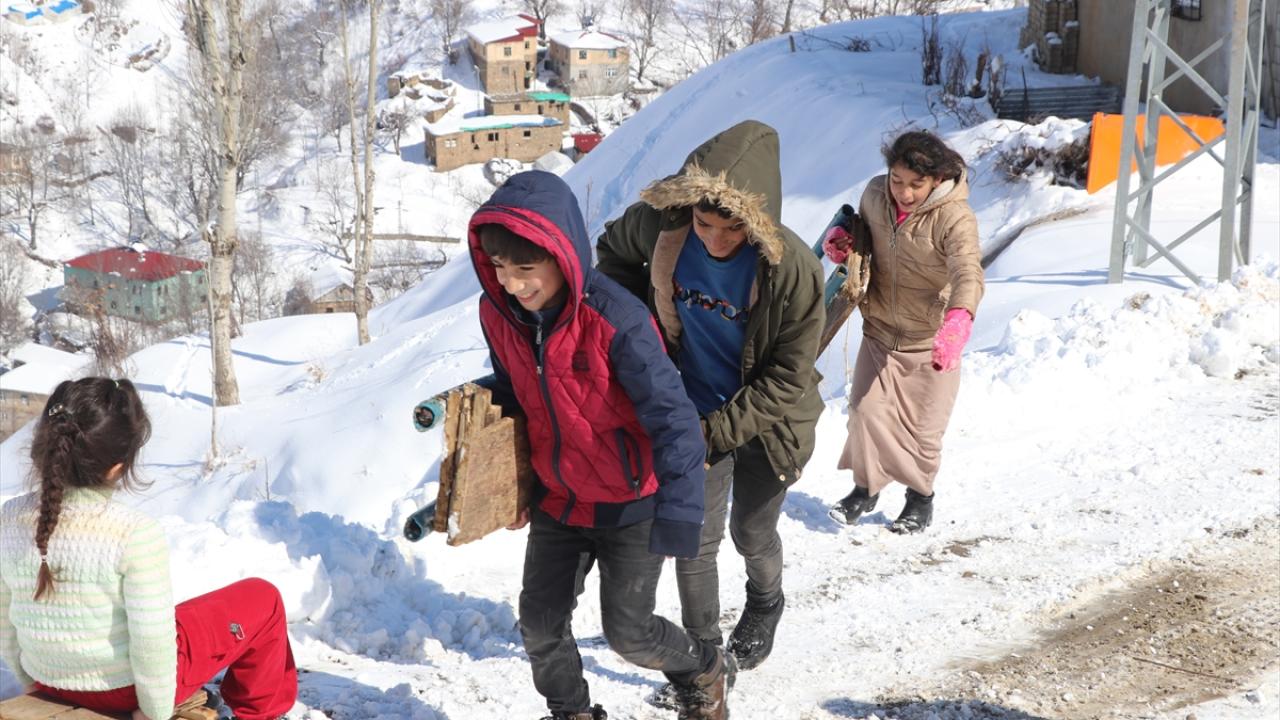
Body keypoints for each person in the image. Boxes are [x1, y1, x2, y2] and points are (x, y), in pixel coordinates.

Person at [466, 170, 732, 720]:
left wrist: (680, 515)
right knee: (540, 624)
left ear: (561, 254)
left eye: (525, 269)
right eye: (499, 267)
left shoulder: (617, 320)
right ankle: (573, 713)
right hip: (559, 500)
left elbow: (673, 419)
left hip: (629, 501)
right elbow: (517, 396)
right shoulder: (498, 314)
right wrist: (512, 486)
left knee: (630, 633)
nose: (512, 284)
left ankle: (703, 667)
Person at [595, 120, 826, 677]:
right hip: (691, 405)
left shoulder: (792, 270)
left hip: (770, 423)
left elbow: (787, 377)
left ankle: (766, 601)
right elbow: (611, 254)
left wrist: (714, 433)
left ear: (757, 220)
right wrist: (640, 329)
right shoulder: (662, 228)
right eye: (704, 224)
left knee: (752, 532)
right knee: (694, 541)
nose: (715, 241)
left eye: (732, 229)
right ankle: (705, 661)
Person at [0, 377, 297, 720]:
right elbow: (151, 641)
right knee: (263, 598)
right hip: (122, 690)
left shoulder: (9, 517)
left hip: (47, 679)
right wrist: (154, 712)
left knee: (184, 615)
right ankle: (259, 714)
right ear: (118, 466)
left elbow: (5, 619)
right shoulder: (132, 532)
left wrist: (32, 684)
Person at [823, 130, 984, 534]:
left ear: (937, 179)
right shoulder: (875, 195)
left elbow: (967, 271)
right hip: (880, 330)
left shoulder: (954, 218)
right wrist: (843, 242)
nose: (904, 193)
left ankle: (919, 498)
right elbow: (863, 237)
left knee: (923, 431)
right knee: (865, 413)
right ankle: (865, 490)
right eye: (897, 180)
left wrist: (958, 320)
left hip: (930, 340)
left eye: (916, 184)